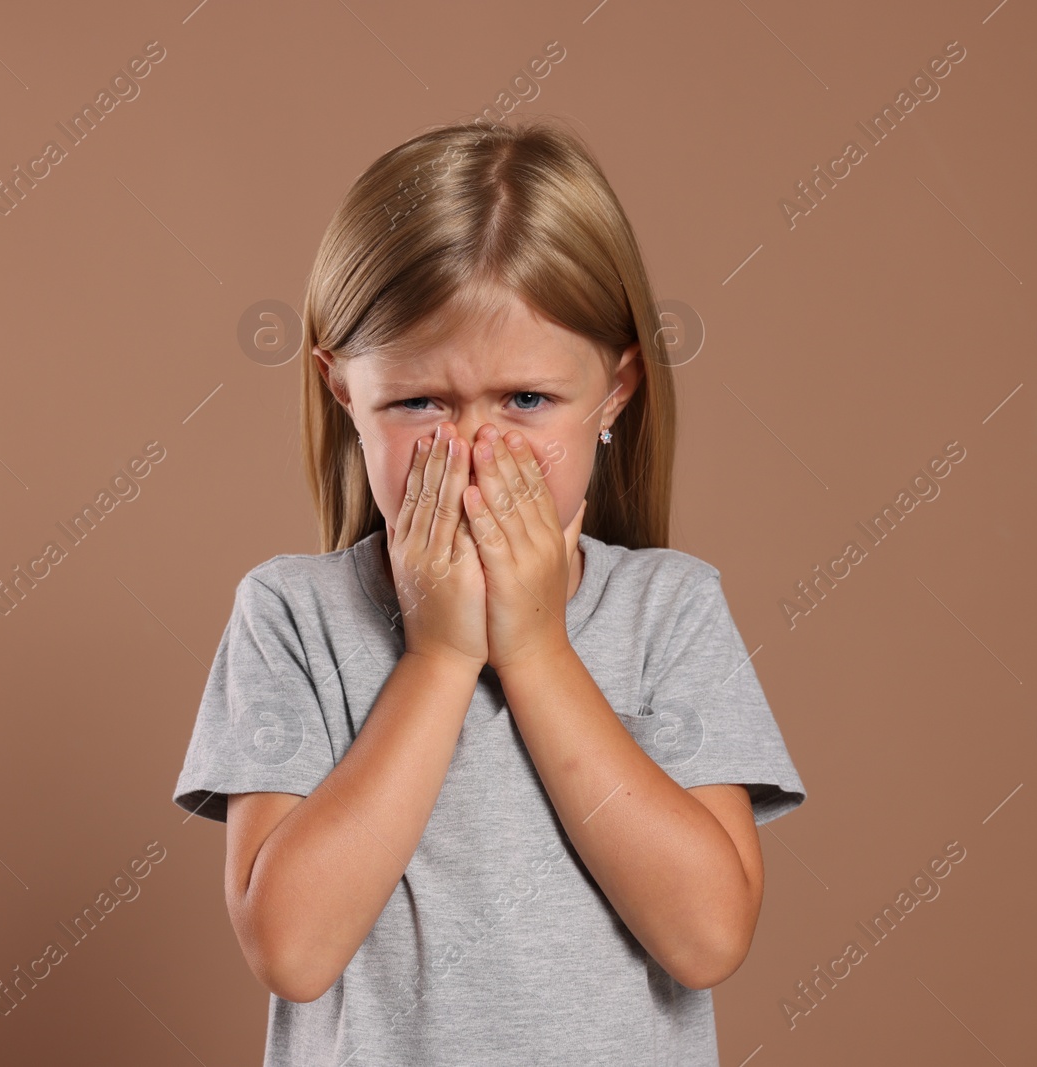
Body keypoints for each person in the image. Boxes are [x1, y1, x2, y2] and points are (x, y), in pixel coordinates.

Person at [172, 116, 807, 1066]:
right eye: (418, 402)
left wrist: (540, 650)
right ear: (343, 393)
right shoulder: (292, 616)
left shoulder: (670, 610)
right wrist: (440, 656)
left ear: (617, 390)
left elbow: (709, 934)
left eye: (526, 401)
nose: (473, 452)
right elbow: (293, 952)